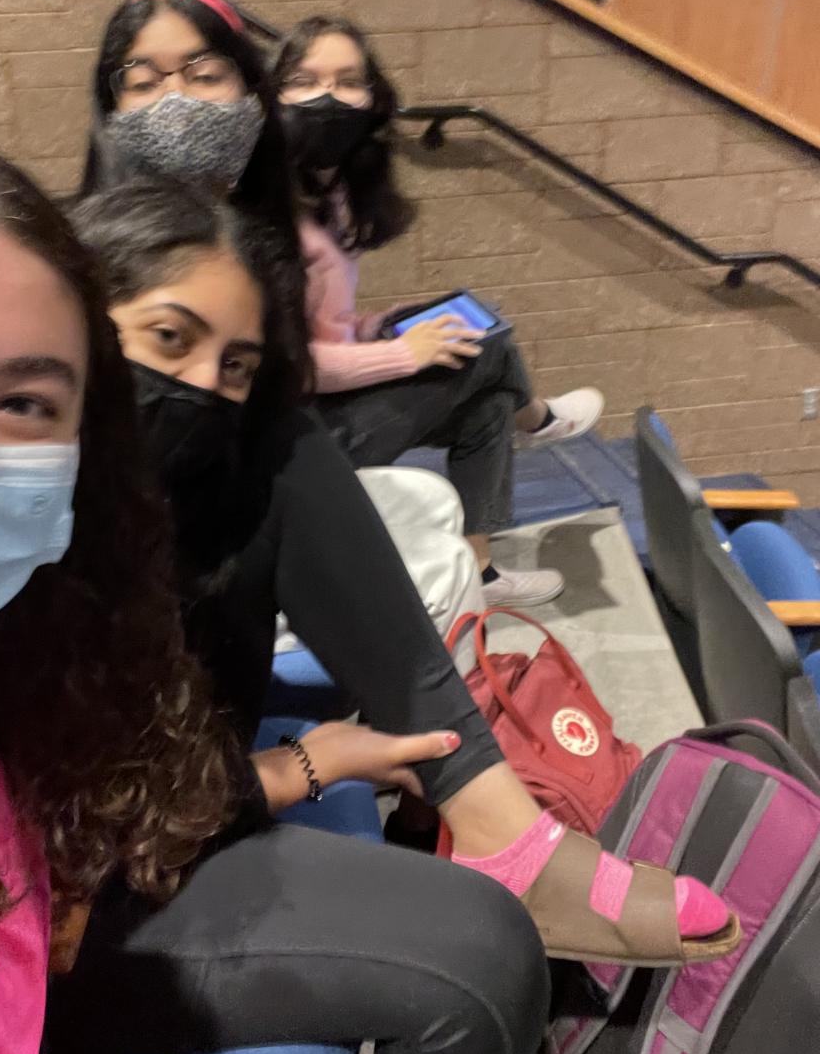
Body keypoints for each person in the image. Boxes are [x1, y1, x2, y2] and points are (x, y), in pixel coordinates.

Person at [0, 121, 550, 1054]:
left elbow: (97, 807)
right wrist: (303, 766)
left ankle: (491, 809)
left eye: (20, 402)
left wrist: (297, 766)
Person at [70, 173, 741, 974]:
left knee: (292, 445)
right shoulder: (14, 546)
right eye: (169, 338)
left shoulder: (170, 485)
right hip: (87, 895)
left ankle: (497, 821)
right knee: (478, 981)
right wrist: (304, 768)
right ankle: (498, 829)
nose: (202, 387)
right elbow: (89, 822)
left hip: (188, 774)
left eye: (236, 365)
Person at [273, 15, 607, 607]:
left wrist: (378, 326)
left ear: (373, 99)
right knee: (489, 347)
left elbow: (322, 324)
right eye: (305, 81)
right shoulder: (265, 215)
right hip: (298, 435)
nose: (328, 99)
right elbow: (287, 365)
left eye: (347, 81)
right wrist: (404, 354)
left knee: (486, 393)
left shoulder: (332, 194)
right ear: (272, 95)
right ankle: (538, 420)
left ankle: (480, 575)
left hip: (330, 403)